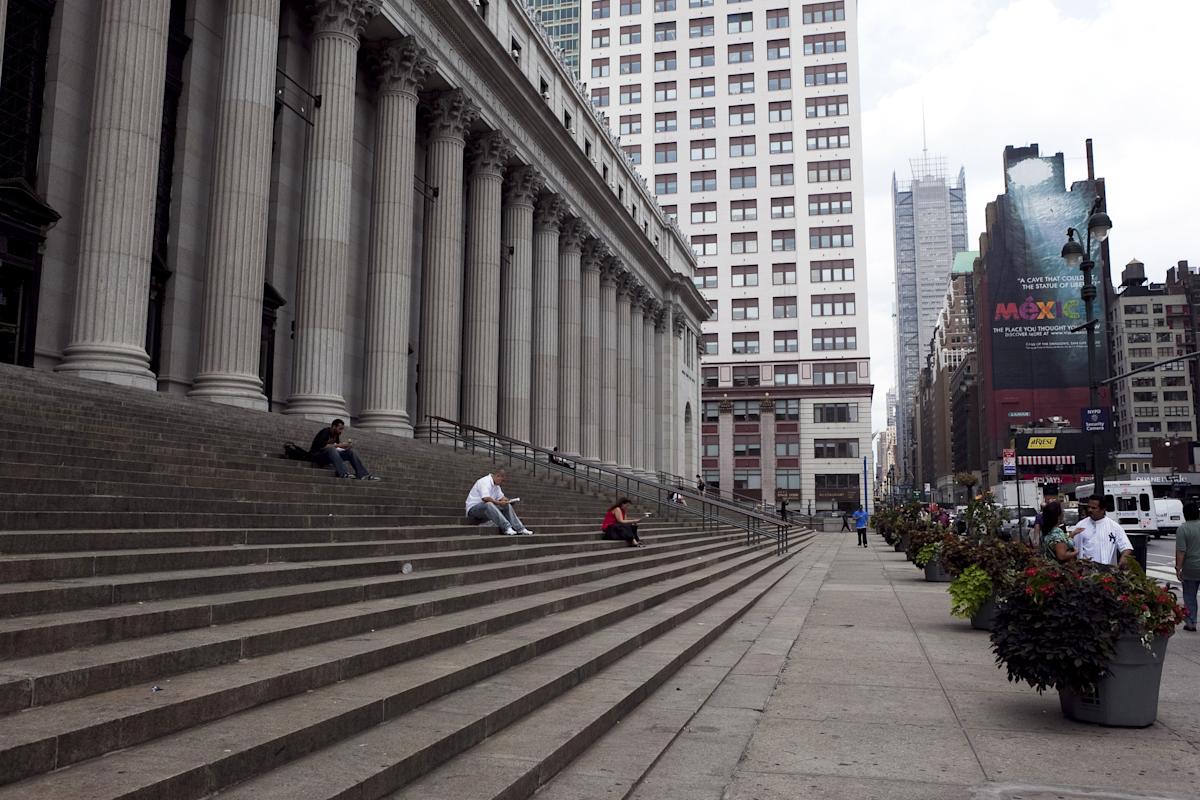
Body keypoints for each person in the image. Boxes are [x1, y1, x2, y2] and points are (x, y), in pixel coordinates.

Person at [465, 468, 533, 536]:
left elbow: (501, 497)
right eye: (502, 480)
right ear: (497, 476)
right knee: (489, 504)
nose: (502, 483)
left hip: (487, 509)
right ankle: (507, 527)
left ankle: (520, 529)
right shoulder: (484, 481)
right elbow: (485, 498)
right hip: (473, 509)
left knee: (506, 505)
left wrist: (508, 501)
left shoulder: (496, 486)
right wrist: (499, 503)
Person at [1072, 496, 1133, 568]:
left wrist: (1124, 558)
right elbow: (1073, 548)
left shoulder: (1114, 527)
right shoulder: (1080, 526)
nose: (1090, 510)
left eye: (1093, 508)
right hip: (1086, 571)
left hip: (1108, 572)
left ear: (1103, 509)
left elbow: (1126, 547)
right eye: (1088, 507)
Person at [309, 419, 379, 480]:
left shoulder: (336, 435)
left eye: (342, 429)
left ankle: (363, 474)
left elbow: (337, 448)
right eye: (340, 428)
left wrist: (345, 448)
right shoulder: (325, 432)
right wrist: (339, 445)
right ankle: (344, 473)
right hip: (317, 455)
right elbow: (321, 446)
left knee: (350, 453)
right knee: (331, 449)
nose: (341, 431)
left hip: (328, 456)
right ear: (333, 427)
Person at [1175, 501, 1200, 632]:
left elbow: (1181, 551)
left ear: (1185, 515)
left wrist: (1178, 568)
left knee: (1190, 596)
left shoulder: (1182, 529)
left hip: (1191, 568)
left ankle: (1191, 622)